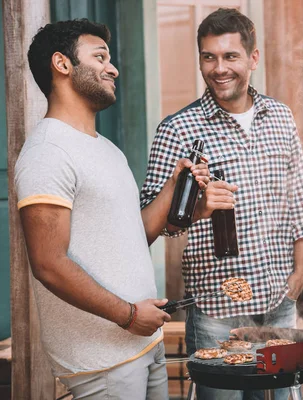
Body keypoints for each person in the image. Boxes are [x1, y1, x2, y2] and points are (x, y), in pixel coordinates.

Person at [16, 19, 209, 399]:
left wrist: (173, 187)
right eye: (100, 56)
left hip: (142, 345)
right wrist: (129, 315)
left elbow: (132, 238)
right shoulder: (48, 153)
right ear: (62, 64)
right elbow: (48, 263)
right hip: (101, 360)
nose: (113, 68)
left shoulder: (106, 148)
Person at [140, 7, 303, 400]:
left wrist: (301, 271)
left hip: (277, 303)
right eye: (209, 57)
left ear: (253, 58)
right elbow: (150, 227)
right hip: (216, 312)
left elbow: (300, 198)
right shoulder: (178, 130)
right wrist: (196, 211)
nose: (219, 68)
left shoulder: (280, 117)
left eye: (230, 56)